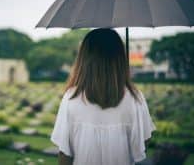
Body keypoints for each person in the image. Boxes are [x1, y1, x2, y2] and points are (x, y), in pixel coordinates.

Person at [51, 28, 156, 165]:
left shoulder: (71, 98)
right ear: (119, 57)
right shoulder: (135, 98)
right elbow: (143, 144)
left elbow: (65, 153)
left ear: (84, 58)